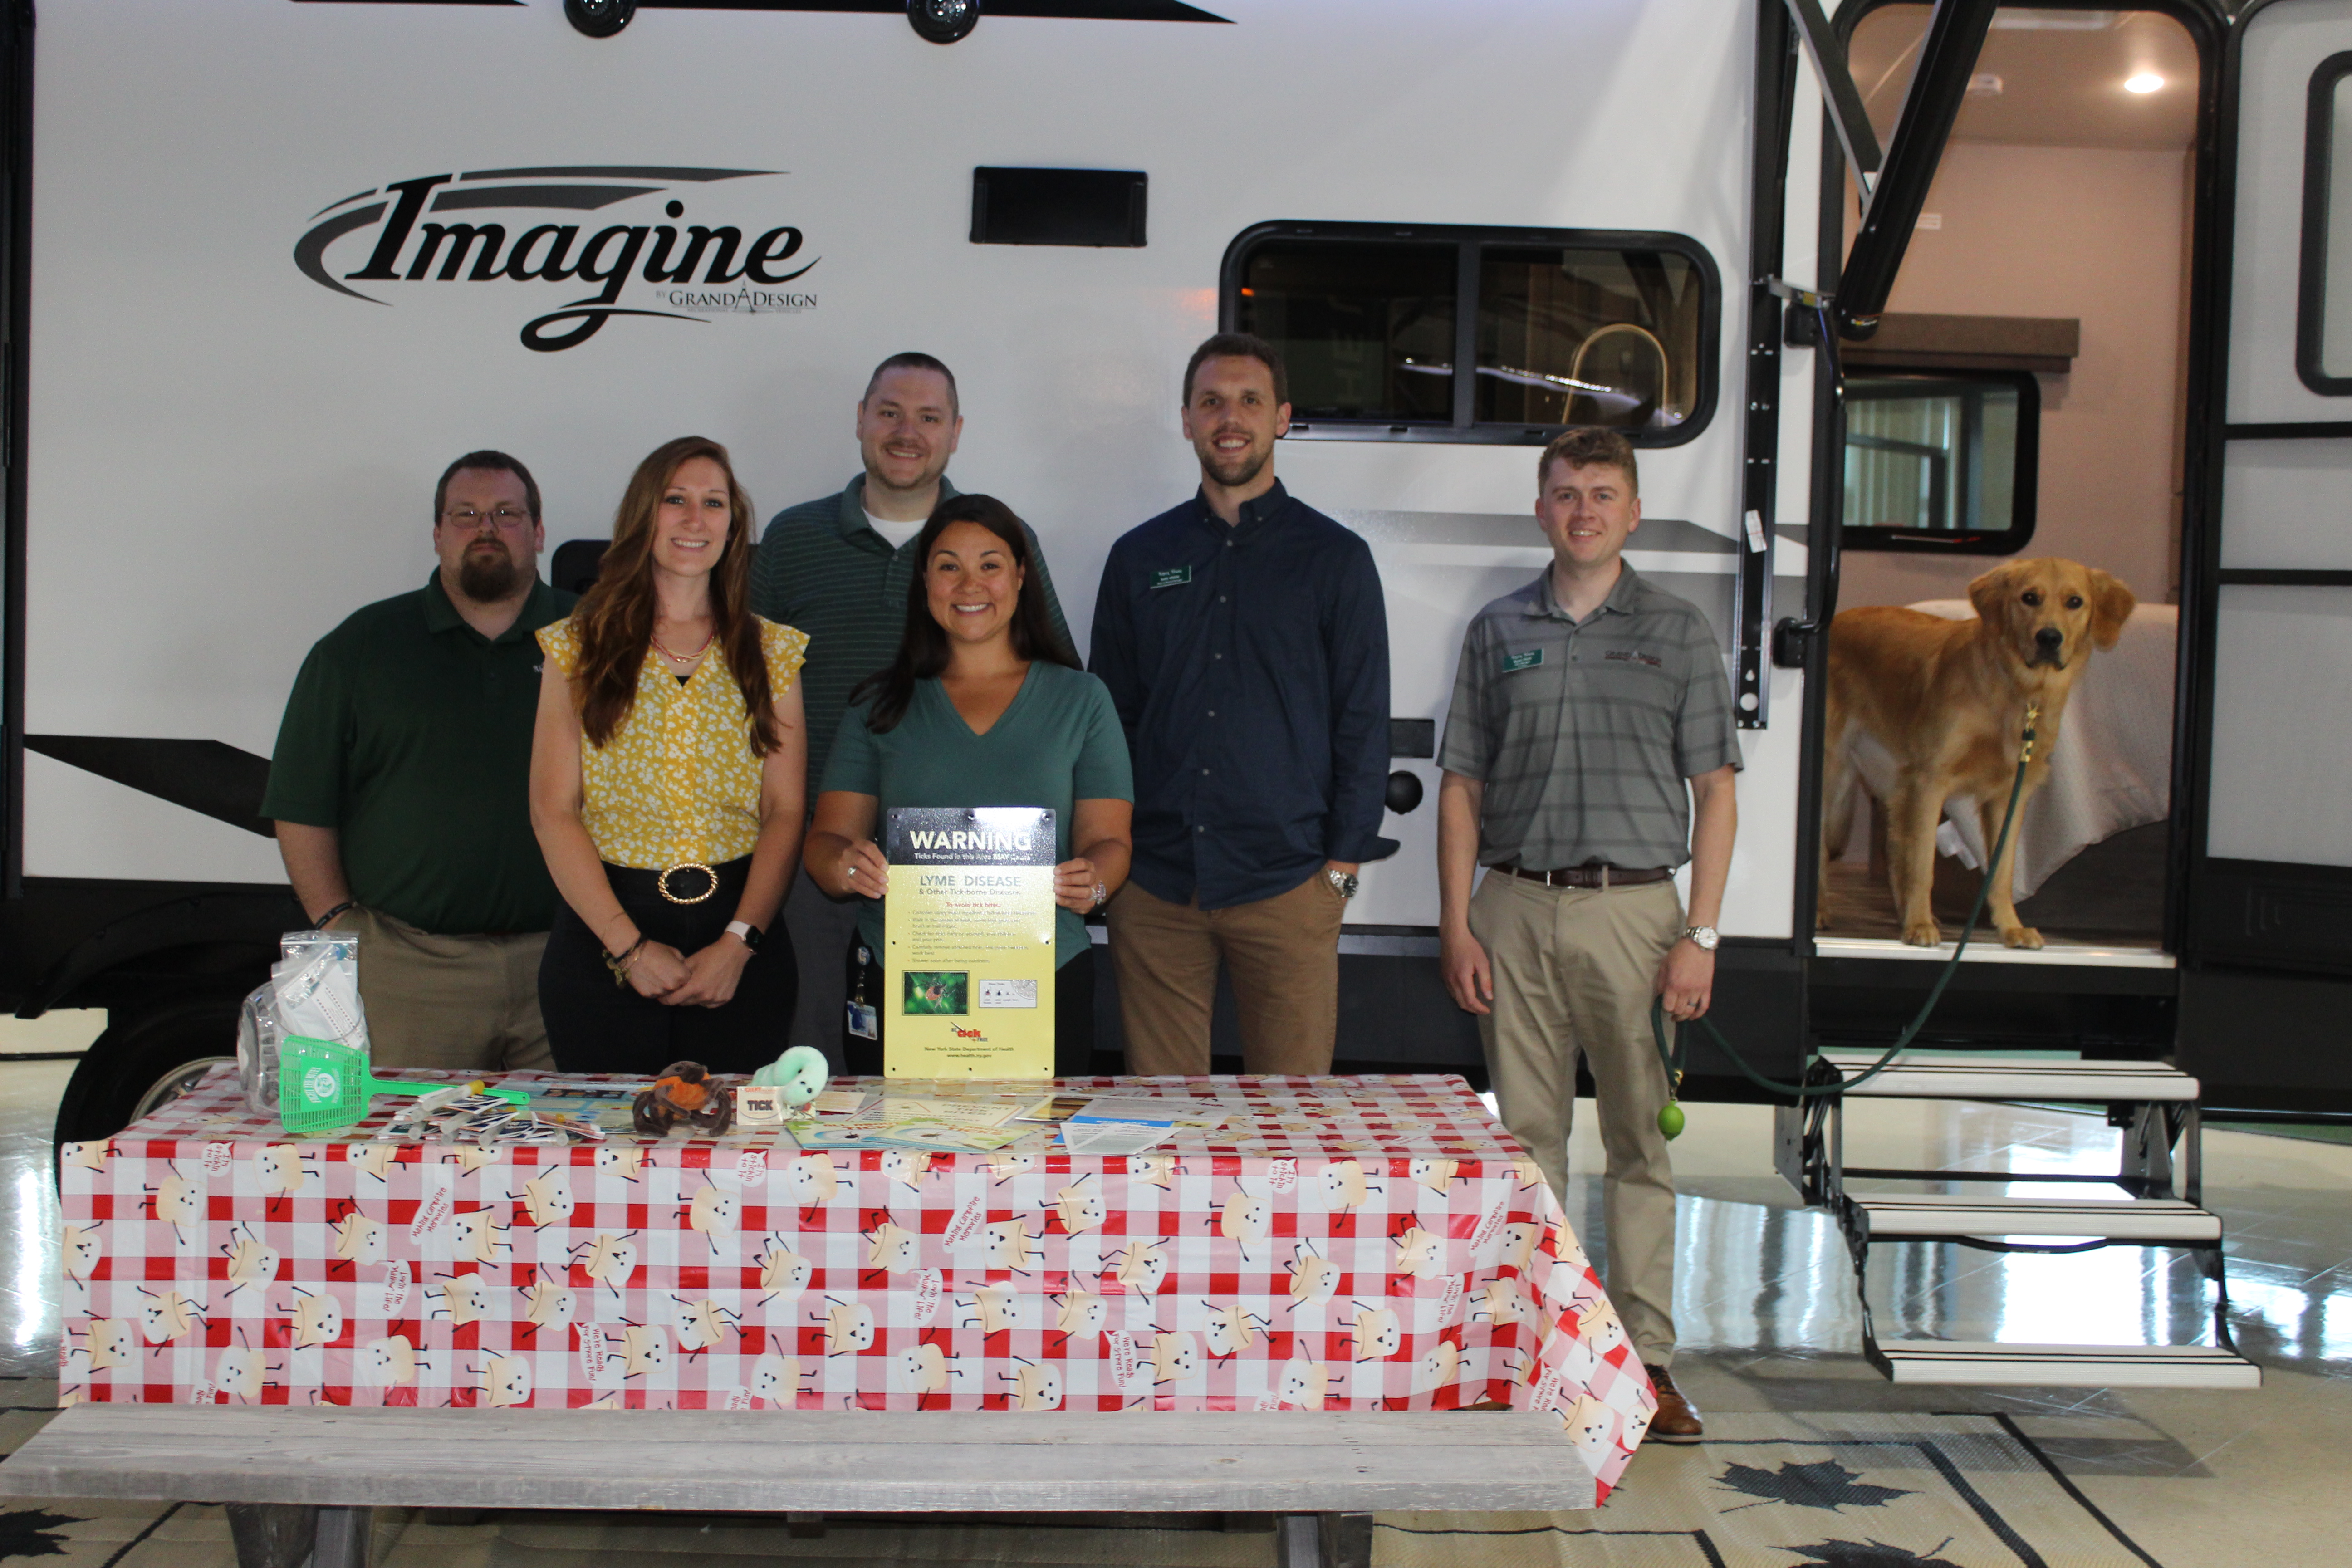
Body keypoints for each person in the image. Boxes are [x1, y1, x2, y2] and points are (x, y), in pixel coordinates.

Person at [1435, 426, 1741, 1444]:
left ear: (1633, 512)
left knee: (1640, 1145)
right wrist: (1456, 922)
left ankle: (1647, 1366)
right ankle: (1538, 1357)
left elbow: (1717, 794)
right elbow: (1462, 788)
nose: (1583, 511)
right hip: (1513, 911)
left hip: (1639, 917)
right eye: (1565, 494)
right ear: (1541, 510)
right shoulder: (1495, 630)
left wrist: (1702, 933)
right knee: (1527, 1148)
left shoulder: (1683, 631)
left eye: (1603, 494)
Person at [751, 353, 1074, 1069]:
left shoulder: (999, 541)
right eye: (890, 412)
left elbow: (1055, 681)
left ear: (956, 432)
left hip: (974, 882)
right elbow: (743, 693)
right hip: (818, 857)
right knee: (819, 1062)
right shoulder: (793, 540)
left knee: (965, 1064)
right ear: (860, 421)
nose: (907, 431)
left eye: (929, 417)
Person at [1089, 332, 1394, 1075]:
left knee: (1292, 1119)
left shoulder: (1336, 560)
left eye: (1251, 401)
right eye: (1213, 402)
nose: (1232, 418)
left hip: (1288, 886)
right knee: (1164, 1122)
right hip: (1155, 887)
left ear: (1282, 417)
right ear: (1187, 420)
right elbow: (1109, 720)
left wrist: (1341, 871)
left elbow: (1362, 720)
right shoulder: (1139, 557)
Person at [263, 451, 573, 1073]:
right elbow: (301, 802)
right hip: (410, 974)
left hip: (565, 966)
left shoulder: (596, 638)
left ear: (539, 533)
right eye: (466, 515)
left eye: (507, 514)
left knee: (564, 1162)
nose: (486, 528)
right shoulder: (360, 649)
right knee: (406, 1162)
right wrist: (336, 923)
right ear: (437, 535)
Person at [805, 494, 1131, 1078]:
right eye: (949, 565)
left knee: (1036, 1159)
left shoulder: (1082, 700)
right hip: (909, 977)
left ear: (1021, 576)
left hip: (1041, 976)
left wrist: (1096, 882)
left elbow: (1110, 844)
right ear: (925, 580)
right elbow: (826, 841)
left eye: (990, 564)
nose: (969, 584)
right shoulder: (877, 705)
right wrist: (845, 866)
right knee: (899, 1152)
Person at [529, 436, 809, 1074]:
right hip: (604, 939)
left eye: (713, 503)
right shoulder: (576, 647)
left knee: (735, 1158)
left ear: (733, 526)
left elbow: (786, 810)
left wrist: (738, 945)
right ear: (642, 517)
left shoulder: (775, 653)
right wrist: (628, 949)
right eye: (675, 500)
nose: (694, 519)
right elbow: (553, 811)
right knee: (607, 1158)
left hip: (741, 945)